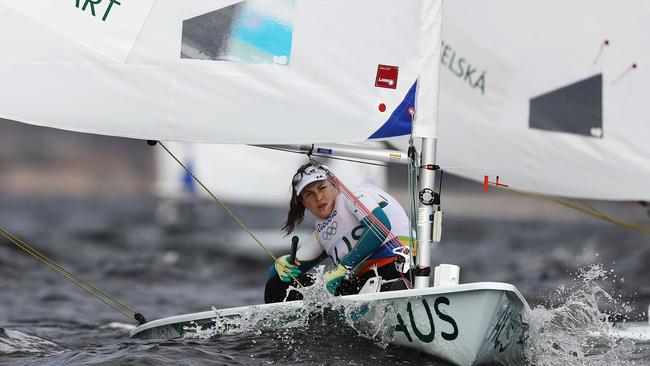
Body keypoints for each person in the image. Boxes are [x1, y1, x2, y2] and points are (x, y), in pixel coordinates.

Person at [264, 162, 413, 303]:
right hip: (365, 283)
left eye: (322, 188)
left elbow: (380, 228)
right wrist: (278, 266)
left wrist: (342, 269)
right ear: (303, 203)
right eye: (309, 194)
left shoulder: (355, 197)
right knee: (275, 286)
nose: (319, 197)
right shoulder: (321, 234)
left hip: (397, 267)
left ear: (333, 185)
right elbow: (278, 277)